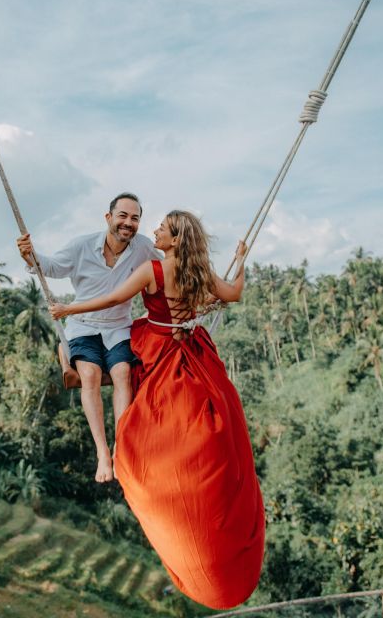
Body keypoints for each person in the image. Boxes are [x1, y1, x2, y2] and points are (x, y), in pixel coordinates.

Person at [49, 210, 265, 610]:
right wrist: (243, 260)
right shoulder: (200, 270)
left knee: (113, 357)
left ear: (175, 238)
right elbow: (233, 293)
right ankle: (80, 368)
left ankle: (77, 370)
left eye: (162, 229)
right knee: (211, 420)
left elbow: (115, 299)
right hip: (193, 345)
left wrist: (69, 311)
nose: (155, 232)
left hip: (158, 343)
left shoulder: (155, 269)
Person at [16, 193, 160, 483]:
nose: (128, 223)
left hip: (119, 326)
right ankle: (102, 453)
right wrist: (29, 255)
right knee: (90, 375)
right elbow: (53, 267)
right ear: (109, 218)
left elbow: (170, 269)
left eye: (134, 218)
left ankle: (122, 448)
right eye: (122, 216)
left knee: (122, 372)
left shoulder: (143, 248)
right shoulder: (82, 245)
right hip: (82, 325)